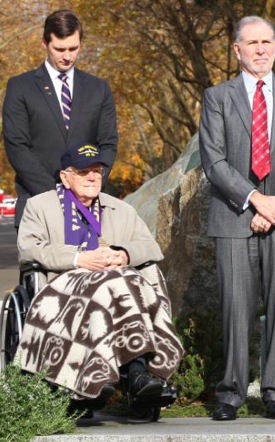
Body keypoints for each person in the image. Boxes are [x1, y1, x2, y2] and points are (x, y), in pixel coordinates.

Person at [198, 16, 275, 421]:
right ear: (237, 50)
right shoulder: (217, 97)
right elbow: (212, 160)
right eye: (252, 43)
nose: (261, 50)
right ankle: (230, 392)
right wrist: (252, 199)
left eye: (267, 42)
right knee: (236, 306)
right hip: (234, 216)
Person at [16, 143, 183, 413]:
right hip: (63, 285)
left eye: (97, 171)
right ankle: (127, 375)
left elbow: (150, 247)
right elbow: (30, 249)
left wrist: (124, 254)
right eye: (84, 172)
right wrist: (78, 259)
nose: (93, 177)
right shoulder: (40, 206)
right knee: (118, 284)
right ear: (65, 176)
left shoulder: (120, 209)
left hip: (117, 284)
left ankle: (136, 375)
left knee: (125, 281)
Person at [3, 9, 117, 227]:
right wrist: (57, 196)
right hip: (38, 208)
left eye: (74, 48)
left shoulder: (98, 89)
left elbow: (108, 143)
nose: (67, 56)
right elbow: (17, 146)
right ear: (45, 44)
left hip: (89, 208)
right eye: (60, 49)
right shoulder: (20, 87)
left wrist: (88, 186)